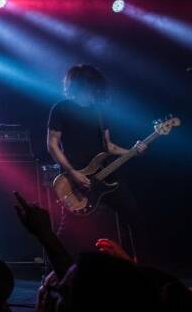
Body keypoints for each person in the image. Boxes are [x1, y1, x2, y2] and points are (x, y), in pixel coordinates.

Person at [47, 64, 146, 256]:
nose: (95, 90)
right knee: (67, 232)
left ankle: (140, 268)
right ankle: (54, 273)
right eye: (91, 85)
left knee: (135, 218)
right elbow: (52, 145)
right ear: (81, 85)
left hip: (106, 177)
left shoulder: (100, 112)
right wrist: (73, 173)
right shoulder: (61, 108)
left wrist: (133, 150)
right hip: (77, 179)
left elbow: (109, 146)